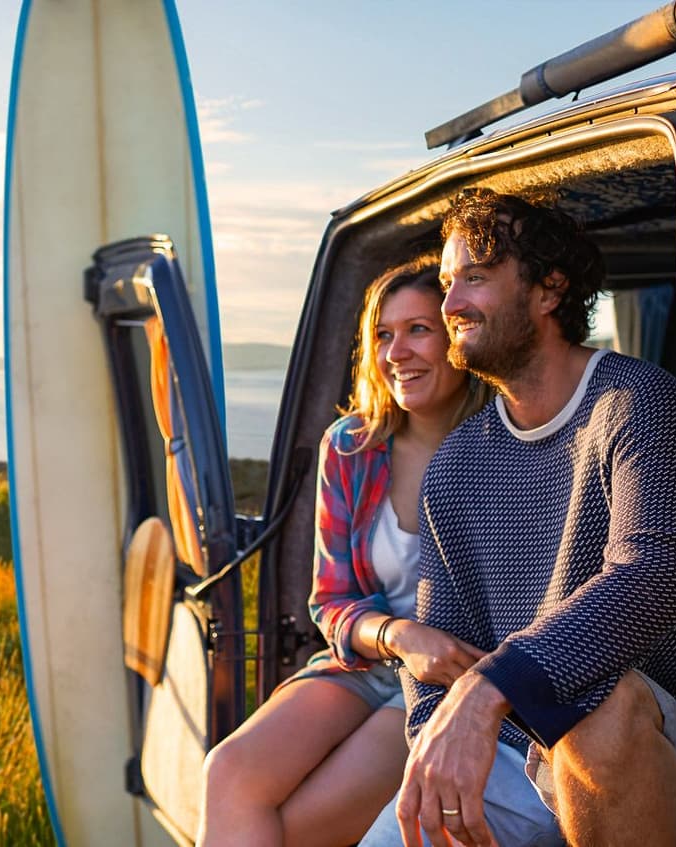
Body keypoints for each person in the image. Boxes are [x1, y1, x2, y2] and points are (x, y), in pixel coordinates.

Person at [357, 188, 676, 847]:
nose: (450, 304)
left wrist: (491, 686)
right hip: (513, 747)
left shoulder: (633, 401)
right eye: (449, 283)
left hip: (644, 734)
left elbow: (653, 573)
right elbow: (437, 642)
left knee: (598, 712)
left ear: (549, 290)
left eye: (474, 279)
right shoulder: (457, 462)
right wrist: (436, 742)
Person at [198, 258, 492, 847]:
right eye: (383, 334)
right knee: (226, 772)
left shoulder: (501, 445)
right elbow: (330, 601)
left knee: (297, 826)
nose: (396, 352)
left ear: (460, 339)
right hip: (366, 660)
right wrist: (397, 635)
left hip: (446, 684)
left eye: (418, 329)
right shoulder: (352, 447)